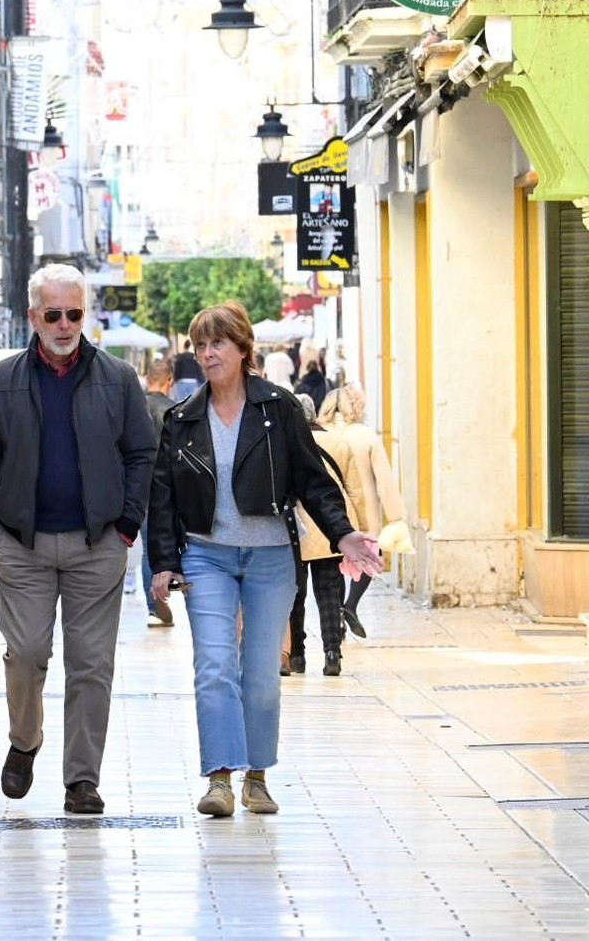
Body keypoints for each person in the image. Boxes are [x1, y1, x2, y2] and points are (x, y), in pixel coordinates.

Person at [148, 302, 382, 818]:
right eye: (201, 345)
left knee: (259, 671)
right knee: (213, 666)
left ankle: (256, 776)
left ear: (242, 350)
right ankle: (219, 780)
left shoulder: (278, 409)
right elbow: (161, 496)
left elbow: (312, 482)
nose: (208, 354)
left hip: (272, 558)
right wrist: (163, 563)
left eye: (218, 345)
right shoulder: (182, 419)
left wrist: (342, 535)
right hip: (207, 555)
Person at [0, 263, 157, 815]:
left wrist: (126, 525)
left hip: (98, 544)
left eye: (75, 313)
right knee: (25, 655)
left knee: (91, 664)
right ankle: (24, 741)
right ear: (33, 316)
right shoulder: (0, 380)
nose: (66, 324)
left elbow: (142, 454)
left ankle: (81, 780)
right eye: (54, 314)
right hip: (21, 545)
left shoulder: (117, 379)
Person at [318, 385, 410, 638]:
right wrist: (396, 516)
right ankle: (350, 605)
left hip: (326, 508)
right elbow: (385, 479)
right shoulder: (366, 436)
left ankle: (335, 613)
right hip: (363, 508)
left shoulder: (318, 434)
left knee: (331, 561)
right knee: (369, 554)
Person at [286, 394, 363, 677]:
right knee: (329, 591)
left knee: (295, 593)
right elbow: (355, 490)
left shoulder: (288, 443)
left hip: (299, 528)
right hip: (332, 526)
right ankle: (333, 652)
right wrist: (360, 528)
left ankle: (296, 655)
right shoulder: (338, 442)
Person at [141, 360, 178, 627]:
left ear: (146, 378)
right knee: (168, 544)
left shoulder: (133, 407)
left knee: (146, 548)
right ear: (169, 382)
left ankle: (154, 605)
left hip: (138, 487)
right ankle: (168, 591)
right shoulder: (172, 410)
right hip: (166, 488)